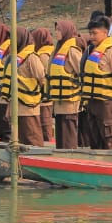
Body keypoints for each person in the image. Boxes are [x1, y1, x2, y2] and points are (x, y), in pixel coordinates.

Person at [80, 15, 112, 149]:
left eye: (95, 33)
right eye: (90, 33)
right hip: (92, 101)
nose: (92, 36)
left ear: (105, 33)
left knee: (109, 138)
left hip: (106, 102)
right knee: (94, 138)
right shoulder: (92, 51)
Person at [47, 19, 82, 148]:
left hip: (70, 101)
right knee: (61, 138)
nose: (56, 33)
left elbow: (82, 72)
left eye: (59, 30)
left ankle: (71, 159)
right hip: (59, 102)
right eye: (56, 30)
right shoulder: (59, 49)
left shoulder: (72, 50)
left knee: (68, 136)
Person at [13, 28, 46, 145]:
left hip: (29, 106)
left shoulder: (31, 57)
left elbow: (41, 76)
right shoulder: (15, 57)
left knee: (32, 137)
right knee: (21, 138)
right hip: (17, 106)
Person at [31, 27, 56, 143]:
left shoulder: (43, 55)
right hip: (50, 93)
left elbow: (42, 76)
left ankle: (47, 143)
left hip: (44, 96)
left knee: (45, 122)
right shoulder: (52, 51)